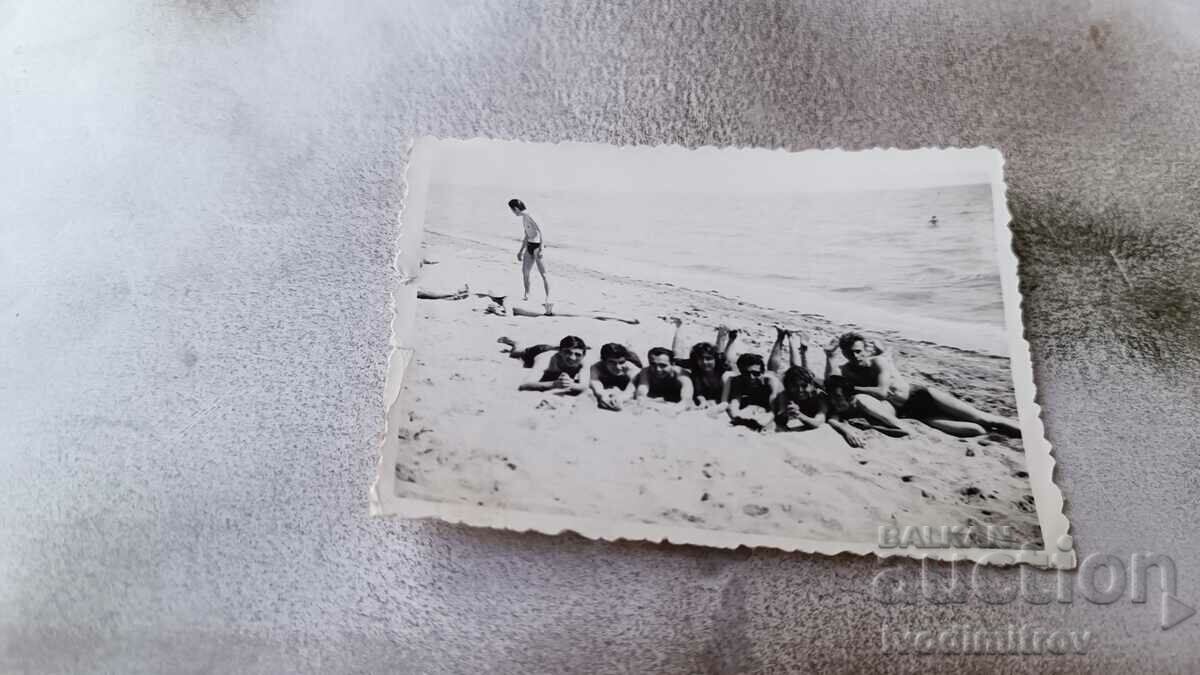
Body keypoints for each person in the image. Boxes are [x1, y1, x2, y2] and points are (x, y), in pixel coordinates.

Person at [828, 331, 1021, 438]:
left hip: (922, 396)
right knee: (976, 431)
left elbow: (881, 392)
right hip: (912, 413)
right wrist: (828, 356)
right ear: (843, 353)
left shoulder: (878, 362)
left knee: (985, 419)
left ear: (865, 349)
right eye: (850, 353)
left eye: (859, 351)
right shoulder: (846, 370)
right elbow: (830, 383)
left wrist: (851, 388)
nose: (856, 356)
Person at [664, 317, 739, 406]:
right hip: (696, 363)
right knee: (676, 356)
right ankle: (679, 326)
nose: (704, 362)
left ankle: (721, 332)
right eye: (701, 359)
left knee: (723, 355)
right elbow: (699, 393)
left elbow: (726, 356)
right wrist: (702, 401)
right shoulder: (696, 370)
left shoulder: (723, 367)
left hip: (720, 361)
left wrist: (731, 340)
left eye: (708, 359)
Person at [722, 353, 782, 430]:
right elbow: (735, 402)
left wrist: (760, 423)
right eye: (746, 373)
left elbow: (773, 410)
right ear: (740, 371)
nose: (751, 377)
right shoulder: (738, 380)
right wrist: (737, 418)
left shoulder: (770, 382)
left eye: (756, 373)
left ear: (762, 372)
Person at [485, 296, 639, 325]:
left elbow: (509, 318)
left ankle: (623, 318)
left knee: (589, 314)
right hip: (548, 307)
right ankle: (621, 317)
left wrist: (496, 312)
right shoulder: (511, 299)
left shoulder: (507, 301)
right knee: (589, 313)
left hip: (550, 309)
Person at [509, 198, 551, 303]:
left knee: (544, 274)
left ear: (516, 209)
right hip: (529, 246)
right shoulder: (524, 218)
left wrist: (541, 247)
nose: (513, 213)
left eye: (512, 210)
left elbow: (542, 231)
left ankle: (548, 297)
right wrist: (521, 251)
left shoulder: (530, 215)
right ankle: (527, 294)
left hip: (537, 246)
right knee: (525, 272)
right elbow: (527, 235)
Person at [517, 335, 590, 395]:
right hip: (540, 350)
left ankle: (558, 347)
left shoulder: (584, 362)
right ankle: (516, 343)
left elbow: (584, 386)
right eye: (567, 352)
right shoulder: (546, 358)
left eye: (578, 354)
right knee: (517, 352)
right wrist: (553, 384)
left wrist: (571, 385)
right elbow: (524, 385)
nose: (572, 358)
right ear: (560, 352)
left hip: (556, 349)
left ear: (583, 356)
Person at [589, 343, 641, 411]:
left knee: (633, 356)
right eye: (612, 362)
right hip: (610, 377)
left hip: (631, 360)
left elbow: (632, 389)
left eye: (621, 362)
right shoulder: (597, 367)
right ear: (603, 361)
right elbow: (595, 384)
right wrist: (602, 396)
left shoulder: (630, 367)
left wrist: (621, 398)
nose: (618, 367)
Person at [774, 366, 827, 431]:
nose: (800, 390)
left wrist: (799, 415)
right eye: (794, 385)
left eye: (804, 385)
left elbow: (818, 422)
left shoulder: (819, 396)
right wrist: (786, 413)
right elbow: (780, 419)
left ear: (812, 385)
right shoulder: (785, 395)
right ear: (788, 386)